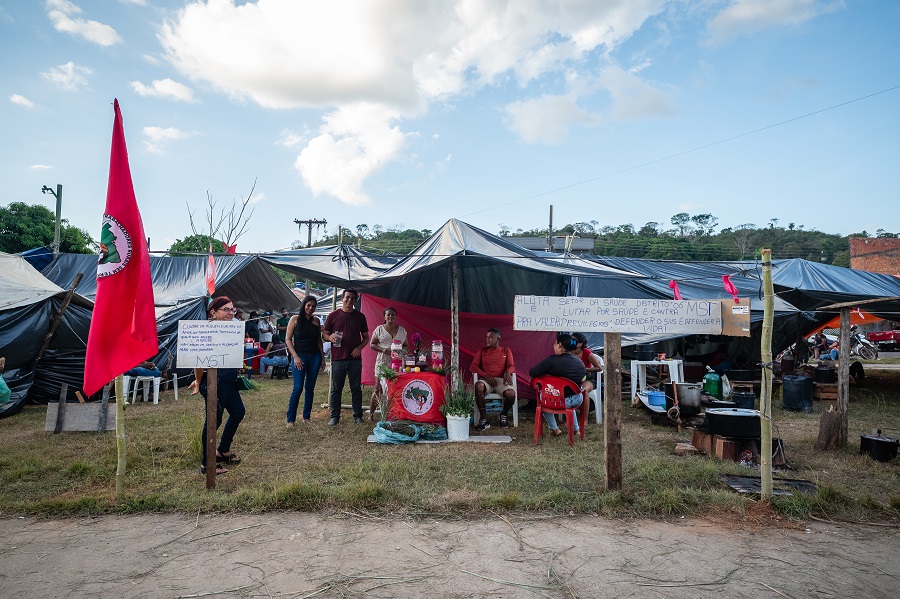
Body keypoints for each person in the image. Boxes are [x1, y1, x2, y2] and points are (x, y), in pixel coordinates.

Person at [188, 296, 245, 475]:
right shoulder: (206, 330)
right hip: (214, 382)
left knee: (238, 412)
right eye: (226, 309)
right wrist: (198, 381)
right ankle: (207, 464)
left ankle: (223, 450)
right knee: (213, 420)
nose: (230, 313)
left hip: (228, 380)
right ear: (213, 312)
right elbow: (199, 361)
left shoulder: (231, 330)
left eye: (232, 310)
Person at [322, 289, 369, 425]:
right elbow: (324, 334)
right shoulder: (333, 315)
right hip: (337, 358)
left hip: (354, 359)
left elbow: (366, 337)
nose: (349, 300)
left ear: (355, 301)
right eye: (347, 297)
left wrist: (359, 348)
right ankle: (334, 416)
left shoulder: (360, 317)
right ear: (342, 298)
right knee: (337, 388)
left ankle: (358, 416)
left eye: (353, 298)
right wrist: (329, 337)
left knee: (356, 388)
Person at [529, 333, 586, 437]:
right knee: (568, 397)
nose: (553, 346)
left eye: (555, 343)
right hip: (575, 400)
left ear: (559, 345)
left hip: (553, 401)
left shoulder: (551, 360)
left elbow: (532, 372)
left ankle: (555, 429)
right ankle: (576, 430)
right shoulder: (579, 362)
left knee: (544, 397)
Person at [285, 296, 325, 426]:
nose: (310, 308)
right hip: (299, 356)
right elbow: (288, 339)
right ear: (304, 305)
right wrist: (295, 357)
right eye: (308, 305)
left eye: (313, 306)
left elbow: (319, 341)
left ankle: (306, 417)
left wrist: (323, 358)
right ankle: (290, 419)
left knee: (310, 388)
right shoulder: (295, 319)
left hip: (314, 356)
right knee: (297, 388)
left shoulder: (316, 321)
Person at [470, 327, 516, 430]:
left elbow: (512, 366)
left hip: (500, 380)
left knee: (511, 394)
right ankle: (484, 419)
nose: (487, 339)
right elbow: (473, 366)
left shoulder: (505, 350)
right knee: (479, 386)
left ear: (498, 338)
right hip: (487, 380)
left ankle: (503, 414)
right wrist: (485, 375)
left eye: (491, 337)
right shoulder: (482, 351)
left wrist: (508, 372)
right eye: (487, 337)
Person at [368, 306, 408, 421]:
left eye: (393, 314)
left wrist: (400, 352)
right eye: (388, 314)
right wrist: (384, 350)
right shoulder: (379, 329)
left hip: (397, 363)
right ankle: (370, 415)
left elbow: (406, 345)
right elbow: (372, 344)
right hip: (382, 362)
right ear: (384, 317)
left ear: (396, 316)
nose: (390, 316)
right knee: (377, 389)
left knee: (395, 388)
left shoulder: (401, 330)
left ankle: (394, 414)